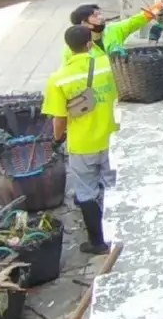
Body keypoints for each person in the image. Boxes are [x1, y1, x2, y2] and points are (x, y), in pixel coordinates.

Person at [42, 25, 119, 255]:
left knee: (86, 193)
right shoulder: (108, 64)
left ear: (68, 47)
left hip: (82, 145)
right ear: (90, 44)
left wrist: (57, 140)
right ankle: (119, 235)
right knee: (113, 187)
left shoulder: (58, 79)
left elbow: (59, 119)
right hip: (112, 138)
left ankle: (98, 242)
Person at [63, 3, 156, 61]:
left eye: (100, 14)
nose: (101, 18)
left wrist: (162, 4)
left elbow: (137, 20)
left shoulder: (113, 29)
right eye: (95, 16)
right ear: (84, 23)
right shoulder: (74, 47)